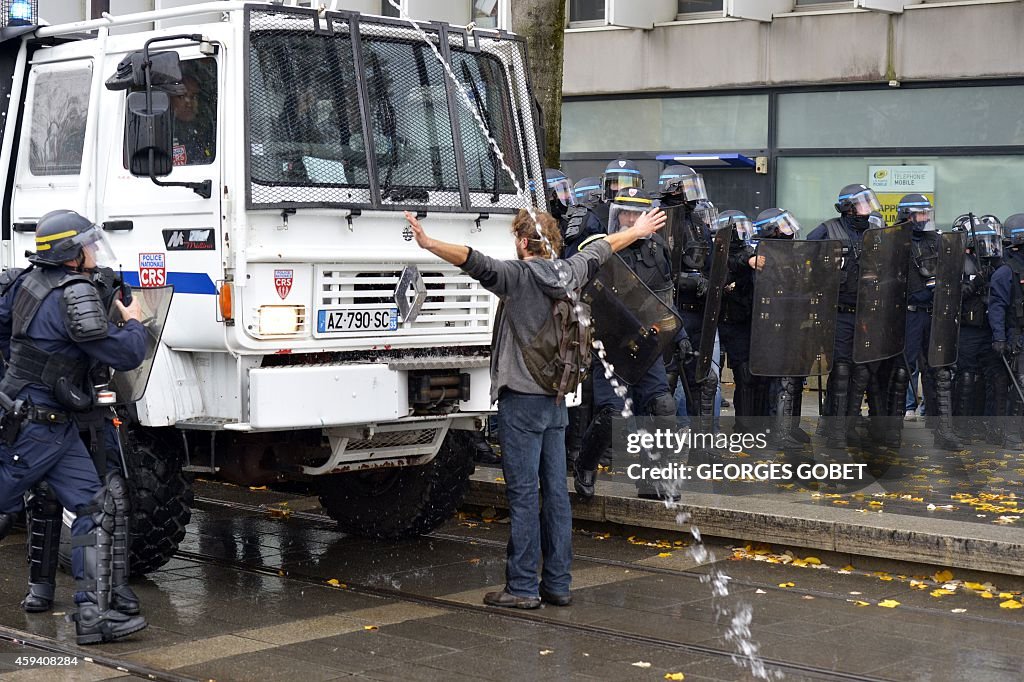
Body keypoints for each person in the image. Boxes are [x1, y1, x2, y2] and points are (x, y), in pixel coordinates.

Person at [403, 205, 667, 609]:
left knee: (525, 494)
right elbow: (603, 248)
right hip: (557, 401)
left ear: (524, 243)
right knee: (556, 495)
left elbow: (473, 260)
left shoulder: (517, 277)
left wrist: (427, 242)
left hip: (522, 402)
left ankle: (523, 586)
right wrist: (639, 229)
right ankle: (558, 583)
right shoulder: (571, 272)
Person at [0, 210, 148, 645]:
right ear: (70, 253)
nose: (93, 252)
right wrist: (134, 319)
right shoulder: (75, 293)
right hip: (34, 429)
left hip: (52, 426)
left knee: (92, 507)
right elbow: (125, 353)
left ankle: (92, 616)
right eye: (87, 245)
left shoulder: (26, 281)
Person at [573, 189, 690, 500]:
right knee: (611, 412)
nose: (630, 219)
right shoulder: (600, 248)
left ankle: (653, 480)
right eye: (624, 213)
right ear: (616, 216)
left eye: (637, 214)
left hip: (649, 345)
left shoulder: (658, 250)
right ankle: (585, 465)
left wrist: (679, 336)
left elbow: (664, 300)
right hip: (611, 345)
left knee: (663, 407)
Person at [806, 184, 883, 448]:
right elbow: (805, 258)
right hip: (839, 313)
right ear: (849, 208)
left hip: (866, 314)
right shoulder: (827, 230)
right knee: (840, 371)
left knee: (861, 371)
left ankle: (849, 425)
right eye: (863, 204)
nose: (868, 209)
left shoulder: (875, 232)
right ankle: (834, 429)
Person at [886, 195, 962, 450]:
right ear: (907, 215)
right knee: (901, 371)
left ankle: (943, 431)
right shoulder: (894, 240)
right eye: (920, 214)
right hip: (907, 313)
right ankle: (893, 431)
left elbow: (950, 270)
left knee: (939, 371)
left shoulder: (935, 240)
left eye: (926, 213)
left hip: (932, 312)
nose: (925, 218)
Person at [953, 214, 1002, 442]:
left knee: (993, 378)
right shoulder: (960, 263)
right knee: (965, 377)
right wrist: (975, 283)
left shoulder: (997, 265)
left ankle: (989, 426)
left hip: (989, 328)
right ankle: (961, 427)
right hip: (969, 329)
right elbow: (953, 297)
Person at [715, 210, 764, 433]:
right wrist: (748, 260)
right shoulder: (718, 254)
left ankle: (745, 425)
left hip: (744, 322)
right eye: (740, 230)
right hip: (722, 323)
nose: (744, 234)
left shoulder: (750, 251)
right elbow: (733, 263)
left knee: (746, 374)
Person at [987, 214, 1024, 448]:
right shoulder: (1006, 272)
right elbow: (997, 306)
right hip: (1017, 335)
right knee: (1020, 385)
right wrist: (999, 337)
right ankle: (1011, 434)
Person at [171, 75, 214, 166]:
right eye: (182, 96)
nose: (189, 103)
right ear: (170, 99)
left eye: (193, 97)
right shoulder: (163, 130)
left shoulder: (207, 129)